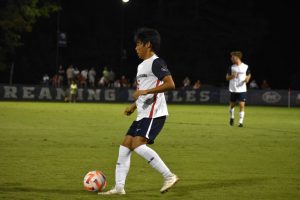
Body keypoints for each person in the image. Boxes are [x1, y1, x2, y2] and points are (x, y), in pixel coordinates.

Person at [99, 28, 178, 195]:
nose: (136, 48)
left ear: (148, 44)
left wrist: (145, 93)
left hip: (154, 113)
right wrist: (133, 105)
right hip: (143, 113)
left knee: (137, 145)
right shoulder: (141, 66)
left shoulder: (157, 62)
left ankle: (169, 176)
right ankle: (119, 188)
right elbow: (144, 89)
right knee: (125, 146)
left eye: (138, 44)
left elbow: (170, 84)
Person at [226, 51, 251, 127]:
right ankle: (232, 117)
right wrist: (232, 76)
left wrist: (247, 79)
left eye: (232, 57)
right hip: (233, 89)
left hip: (242, 90)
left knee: (241, 106)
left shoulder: (246, 66)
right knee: (232, 106)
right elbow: (227, 78)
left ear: (237, 58)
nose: (231, 58)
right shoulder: (231, 67)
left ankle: (240, 122)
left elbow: (249, 74)